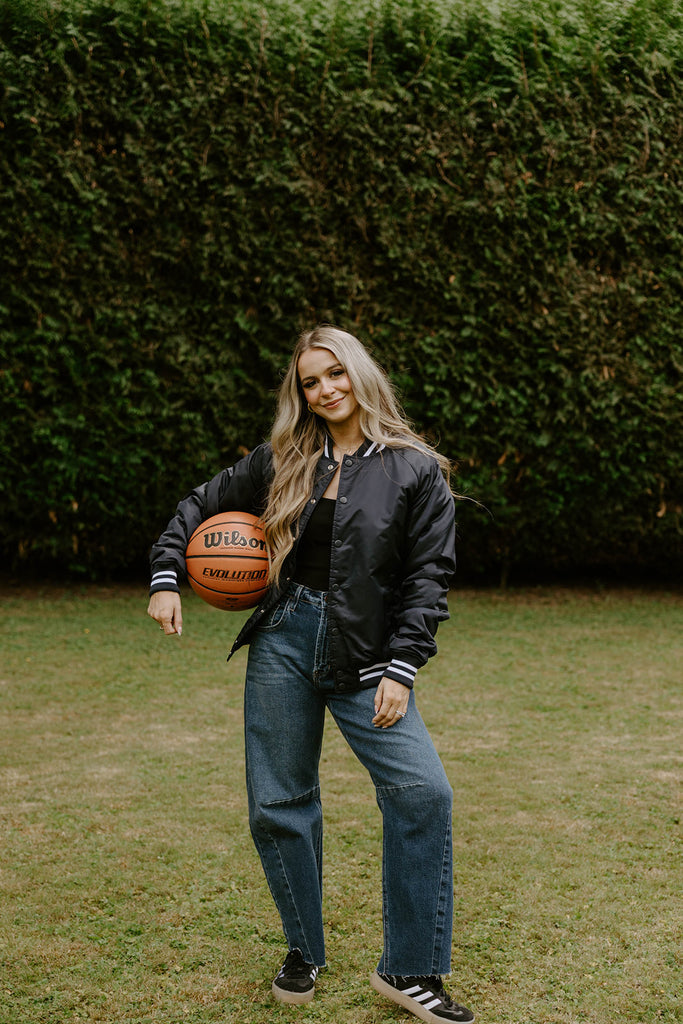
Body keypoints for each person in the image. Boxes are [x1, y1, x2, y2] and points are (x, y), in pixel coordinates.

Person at [147, 326, 474, 1024]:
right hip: (283, 642)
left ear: (359, 374)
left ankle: (410, 969)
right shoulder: (283, 457)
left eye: (334, 374)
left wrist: (403, 665)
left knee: (422, 792)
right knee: (279, 803)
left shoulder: (414, 469)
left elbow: (427, 579)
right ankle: (303, 949)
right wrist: (168, 576)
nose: (324, 390)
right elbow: (195, 507)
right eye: (309, 381)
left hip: (366, 654)